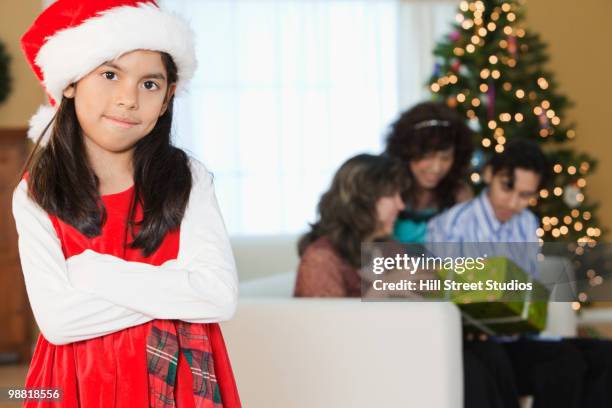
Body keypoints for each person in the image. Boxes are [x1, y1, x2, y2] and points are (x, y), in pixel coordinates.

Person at [13, 1, 241, 406]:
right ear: (70, 82)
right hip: (75, 381)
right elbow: (59, 321)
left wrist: (92, 271)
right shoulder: (36, 191)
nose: (128, 99)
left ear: (168, 97)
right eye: (109, 74)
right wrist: (175, 291)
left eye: (149, 84)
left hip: (178, 374)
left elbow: (218, 296)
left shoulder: (188, 177)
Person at [428, 139, 595, 408]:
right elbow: (440, 296)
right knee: (554, 362)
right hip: (472, 344)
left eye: (526, 195)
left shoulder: (527, 223)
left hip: (515, 338)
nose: (515, 202)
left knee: (595, 356)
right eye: (508, 188)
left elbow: (528, 288)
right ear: (489, 174)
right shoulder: (451, 227)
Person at [294, 154, 406, 297]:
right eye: (391, 195)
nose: (401, 205)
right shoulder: (321, 259)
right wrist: (383, 289)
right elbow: (325, 319)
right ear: (362, 201)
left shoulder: (389, 247)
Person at [385, 101, 474, 243]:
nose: (437, 168)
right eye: (427, 156)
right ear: (407, 153)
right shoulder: (386, 190)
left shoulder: (460, 195)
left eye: (445, 158)